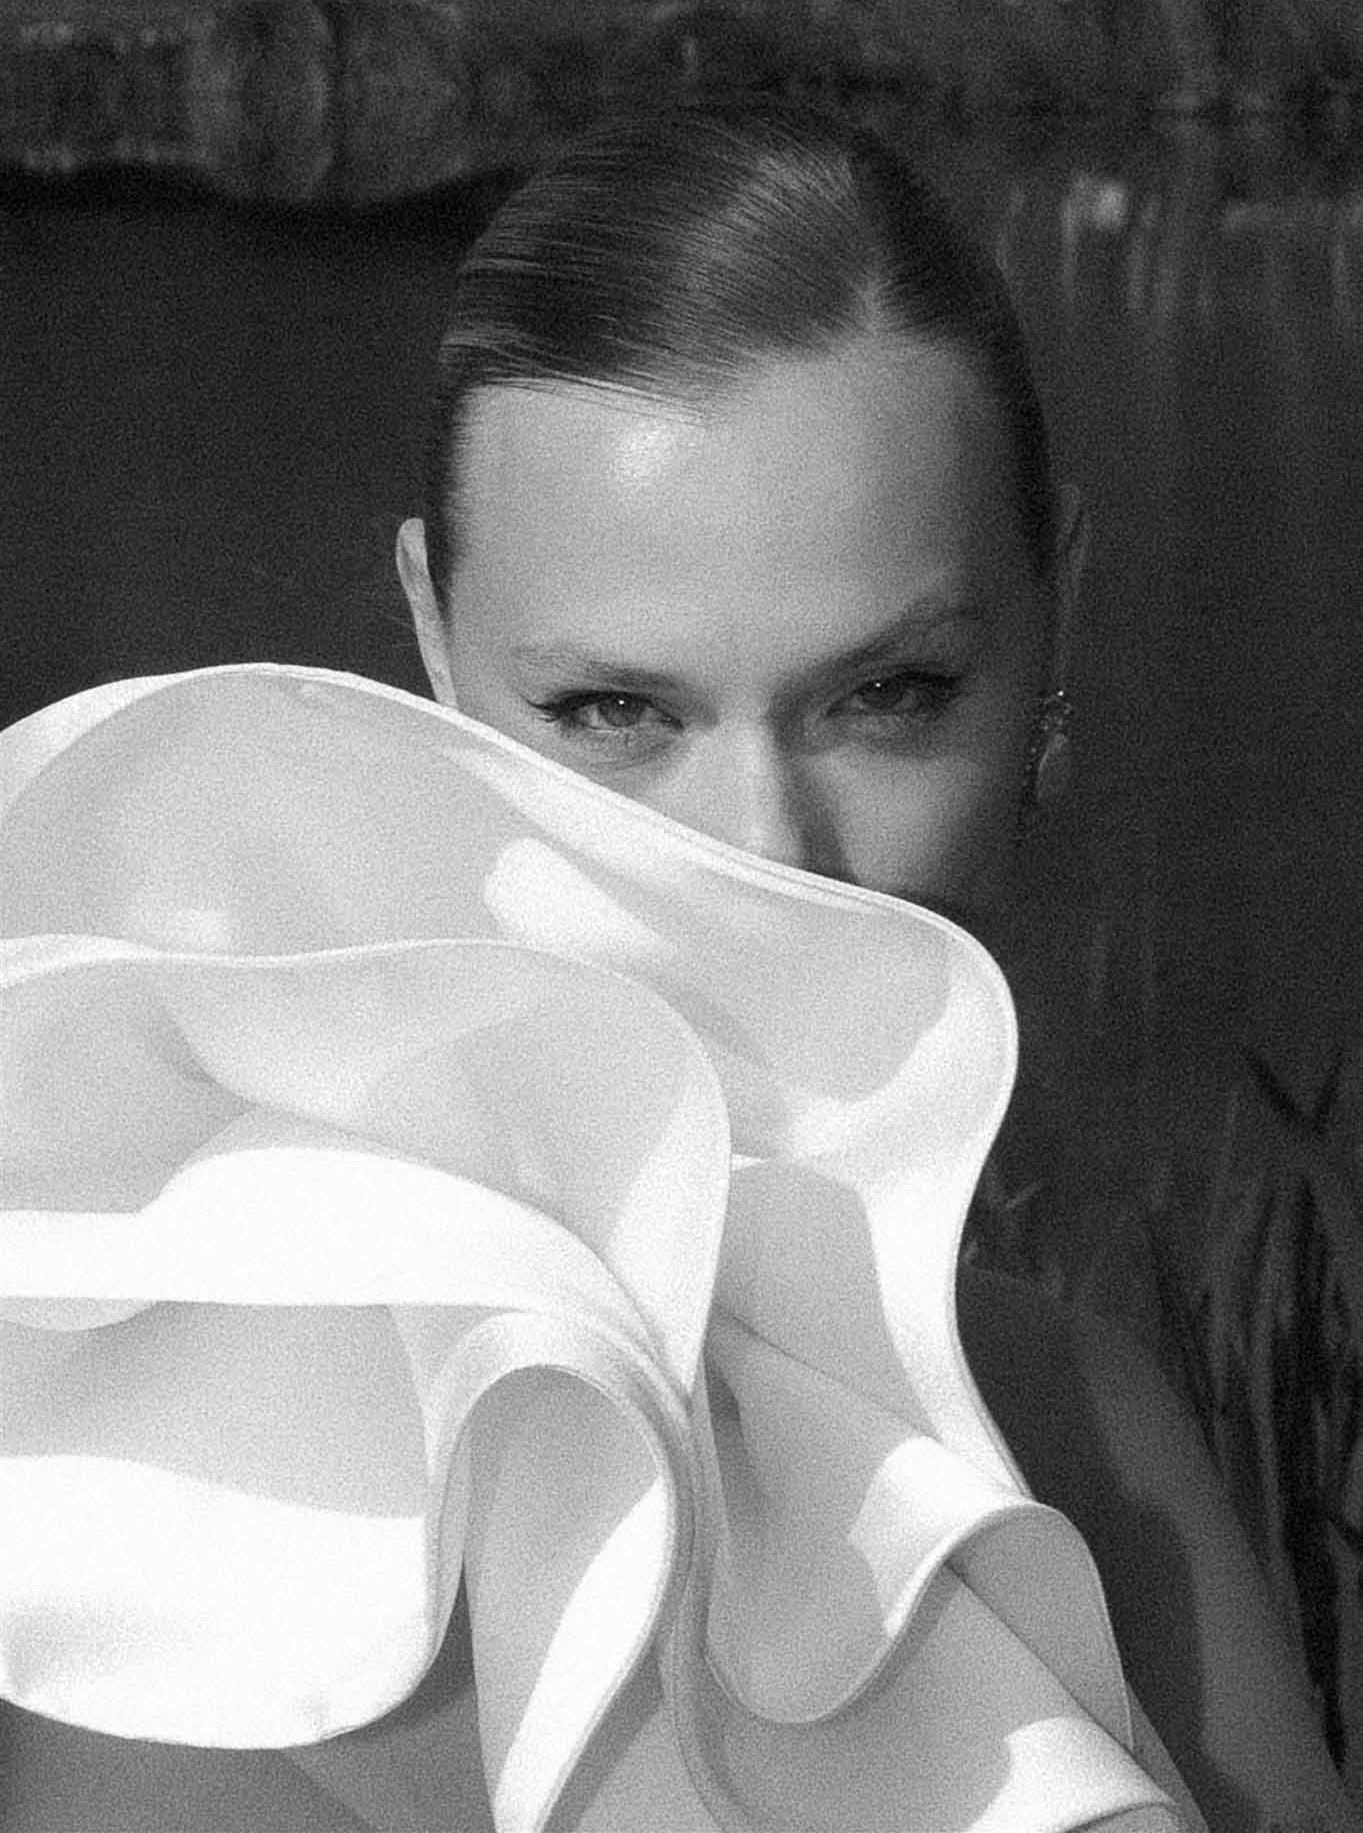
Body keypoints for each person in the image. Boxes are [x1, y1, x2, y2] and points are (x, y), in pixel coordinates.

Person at [0, 101, 1356, 1833]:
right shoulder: (137, 1450)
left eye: (889, 696)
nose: (755, 856)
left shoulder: (1086, 1426)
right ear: (428, 654)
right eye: (616, 714)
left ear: (1054, 631)